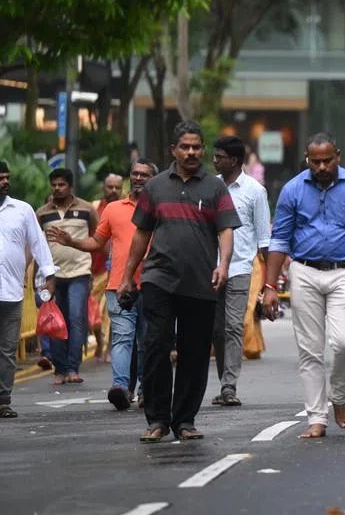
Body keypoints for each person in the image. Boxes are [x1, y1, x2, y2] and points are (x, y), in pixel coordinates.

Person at [117, 121, 240, 441]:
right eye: (184, 147)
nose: (191, 152)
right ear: (174, 149)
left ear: (202, 150)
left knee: (195, 352)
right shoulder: (156, 187)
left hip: (201, 282)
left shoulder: (215, 188)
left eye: (196, 147)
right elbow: (141, 234)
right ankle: (157, 420)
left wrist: (223, 265)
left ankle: (184, 420)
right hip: (159, 279)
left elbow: (226, 230)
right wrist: (128, 277)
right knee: (155, 347)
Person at [261, 133, 345, 438]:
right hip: (304, 272)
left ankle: (339, 397)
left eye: (326, 160)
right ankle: (316, 417)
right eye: (314, 161)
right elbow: (279, 240)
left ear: (338, 156)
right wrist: (269, 286)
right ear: (307, 159)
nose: (320, 166)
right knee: (310, 351)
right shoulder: (292, 189)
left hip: (344, 272)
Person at [49, 161, 159, 410]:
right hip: (119, 286)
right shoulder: (114, 209)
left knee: (146, 341)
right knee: (122, 337)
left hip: (153, 285)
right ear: (129, 177)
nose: (139, 178)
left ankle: (144, 389)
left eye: (145, 175)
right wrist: (72, 241)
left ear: (154, 178)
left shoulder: (160, 208)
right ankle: (120, 387)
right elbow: (97, 241)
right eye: (135, 174)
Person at [208, 136, 270, 407]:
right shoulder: (210, 187)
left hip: (241, 267)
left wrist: (269, 284)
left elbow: (264, 240)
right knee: (216, 330)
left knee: (234, 325)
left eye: (219, 156)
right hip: (210, 268)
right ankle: (225, 384)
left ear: (233, 160)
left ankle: (229, 386)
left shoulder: (255, 191)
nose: (214, 160)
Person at [0, 162, 57, 419]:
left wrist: (49, 276)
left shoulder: (22, 210)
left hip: (11, 293)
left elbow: (38, 243)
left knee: (7, 350)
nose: (5, 182)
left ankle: (3, 401)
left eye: (6, 177)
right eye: (0, 178)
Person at [37, 168, 99, 385]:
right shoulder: (42, 212)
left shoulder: (87, 209)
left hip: (80, 273)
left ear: (70, 186)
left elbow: (97, 237)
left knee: (75, 319)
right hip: (52, 276)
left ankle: (73, 368)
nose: (57, 188)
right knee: (56, 322)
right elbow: (35, 245)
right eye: (54, 184)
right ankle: (59, 370)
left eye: (61, 184)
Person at [90, 173, 123, 362]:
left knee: (111, 311)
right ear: (103, 188)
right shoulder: (94, 208)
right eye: (110, 187)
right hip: (93, 269)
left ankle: (110, 347)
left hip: (115, 269)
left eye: (117, 187)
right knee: (91, 313)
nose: (113, 191)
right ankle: (99, 339)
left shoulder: (127, 208)